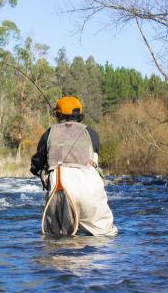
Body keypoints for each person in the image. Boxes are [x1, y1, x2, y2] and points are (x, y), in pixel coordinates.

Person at [31, 96, 118, 236]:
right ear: (80, 115)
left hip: (61, 188)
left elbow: (36, 163)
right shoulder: (91, 133)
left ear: (58, 114)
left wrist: (38, 171)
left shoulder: (49, 133)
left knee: (57, 241)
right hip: (91, 187)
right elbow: (94, 157)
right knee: (105, 238)